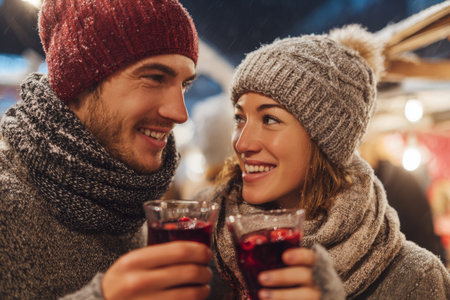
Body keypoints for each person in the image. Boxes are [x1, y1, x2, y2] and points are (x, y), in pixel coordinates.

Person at [196, 25, 450, 299]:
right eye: (239, 118)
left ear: (326, 139)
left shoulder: (413, 279)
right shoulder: (201, 248)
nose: (242, 143)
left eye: (269, 119)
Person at [0, 1, 213, 299]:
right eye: (154, 77)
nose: (180, 113)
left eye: (184, 85)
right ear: (77, 83)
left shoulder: (128, 196)